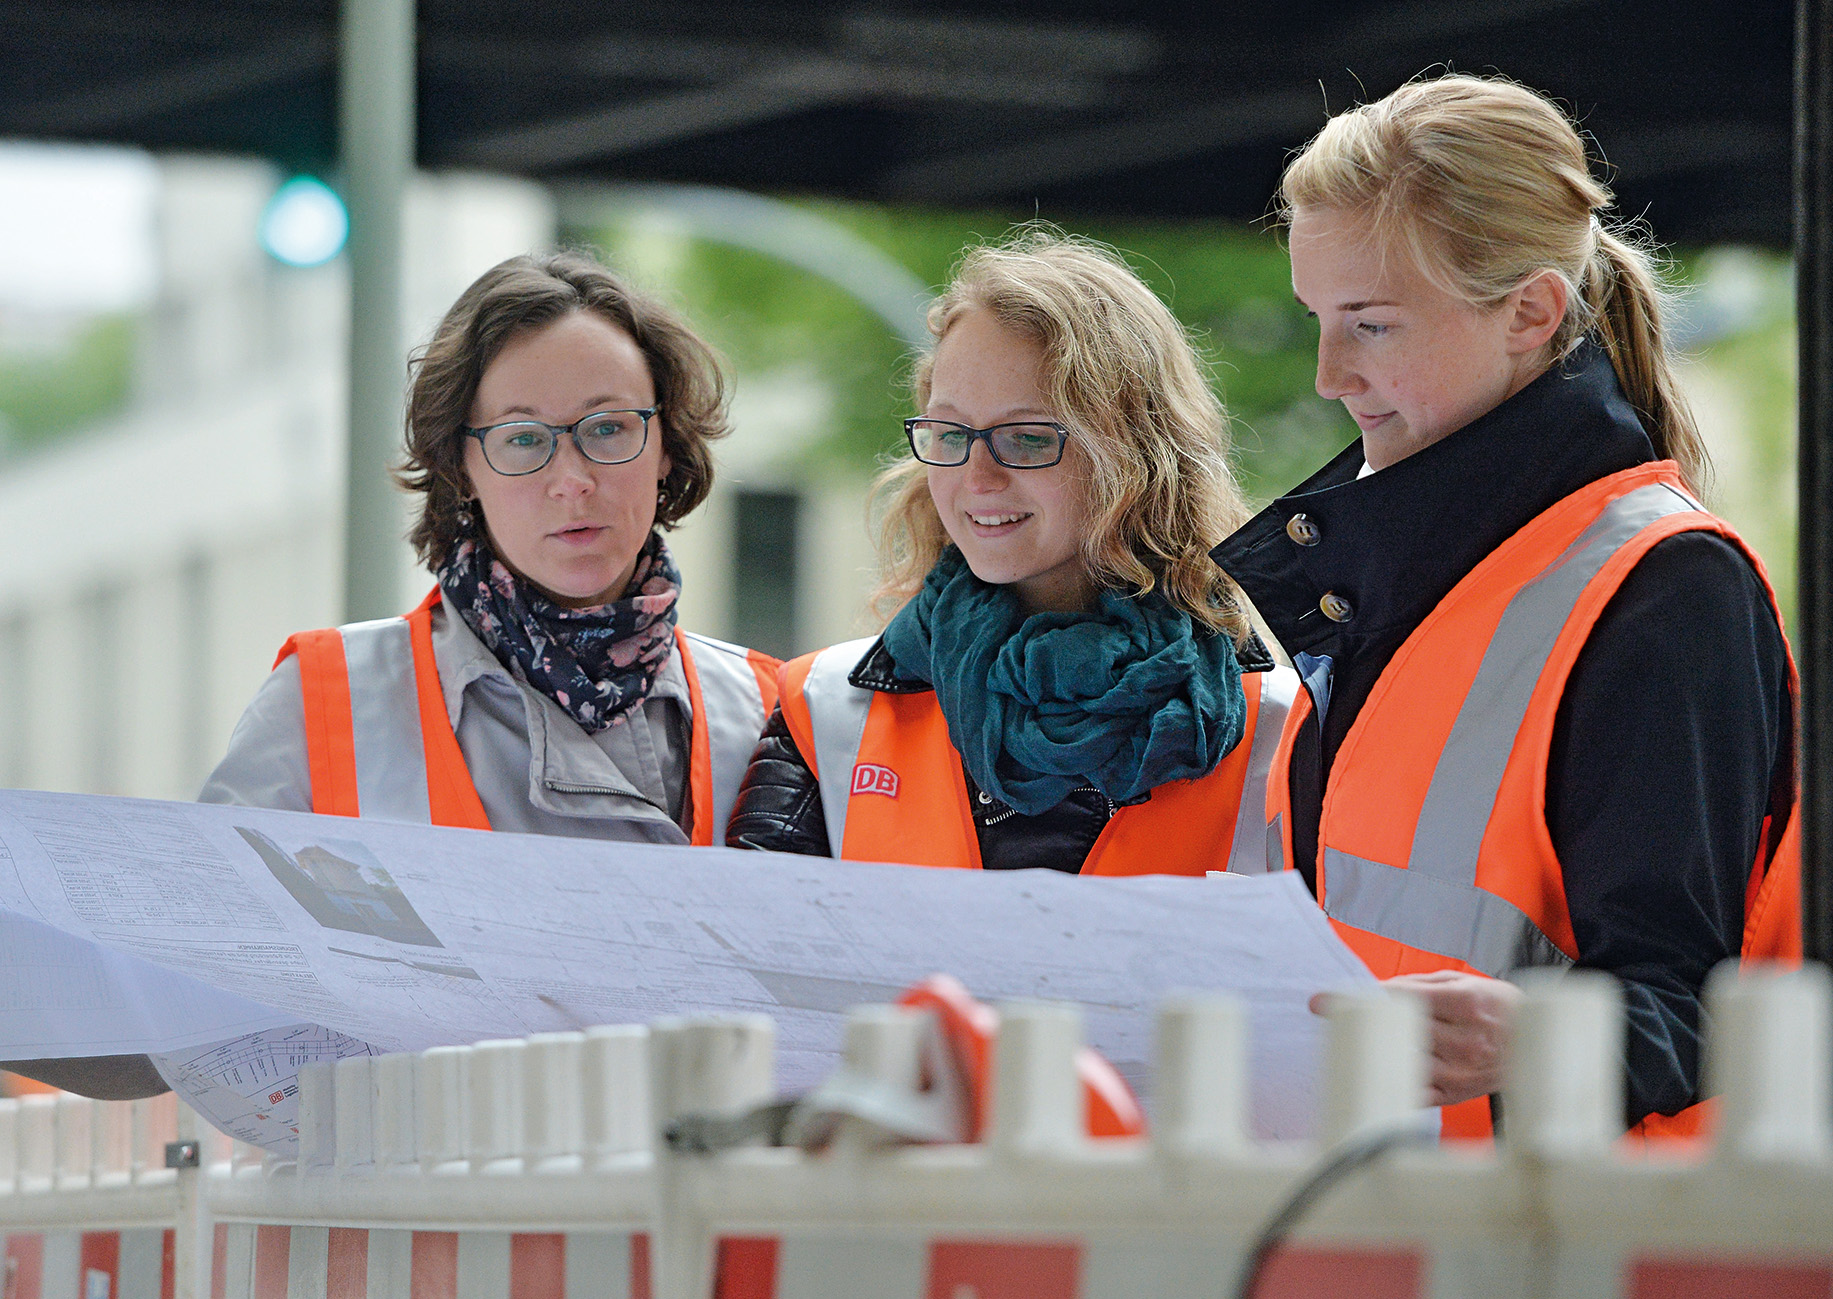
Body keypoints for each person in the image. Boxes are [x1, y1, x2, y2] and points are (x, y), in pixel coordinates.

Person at [1209, 76, 1800, 1140]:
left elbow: (1715, 1011)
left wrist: (1533, 1040)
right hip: (1378, 1222)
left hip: (1554, 1246)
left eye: (1372, 324)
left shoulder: (1666, 588)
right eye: (1317, 318)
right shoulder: (1397, 577)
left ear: (1531, 311)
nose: (1330, 373)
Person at [728, 231, 1298, 878]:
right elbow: (756, 970)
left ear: (1137, 457)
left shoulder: (1281, 728)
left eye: (1025, 438)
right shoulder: (824, 708)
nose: (976, 476)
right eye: (949, 432)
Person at [200, 250, 779, 845]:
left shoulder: (772, 711)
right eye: (523, 438)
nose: (573, 480)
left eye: (608, 427)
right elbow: (216, 927)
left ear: (666, 446)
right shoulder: (326, 703)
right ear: (462, 470)